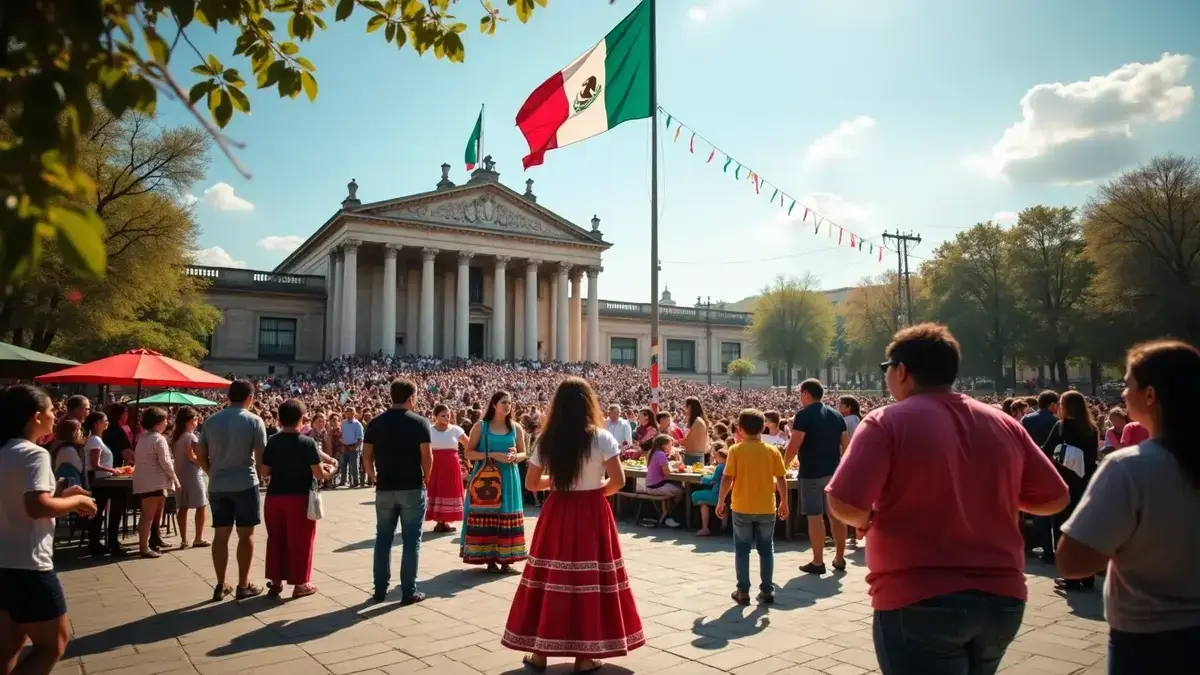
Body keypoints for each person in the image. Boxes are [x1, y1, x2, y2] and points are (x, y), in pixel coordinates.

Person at [826, 323, 1070, 675]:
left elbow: (844, 502)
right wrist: (994, 498)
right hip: (1002, 597)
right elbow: (1055, 497)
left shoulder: (886, 421)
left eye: (886, 369)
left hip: (918, 595)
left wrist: (866, 521)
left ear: (902, 370)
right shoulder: (1002, 422)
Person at [1056, 340, 1200, 674]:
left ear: (1150, 395)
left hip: (1150, 641)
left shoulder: (1130, 467)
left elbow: (1073, 561)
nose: (1121, 393)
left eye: (1127, 384)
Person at [502, 377, 644, 672]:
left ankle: (540, 652)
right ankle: (584, 657)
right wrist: (591, 492)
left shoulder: (546, 439)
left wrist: (558, 483)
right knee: (590, 579)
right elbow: (617, 481)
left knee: (550, 576)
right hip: (591, 512)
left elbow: (531, 483)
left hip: (557, 510)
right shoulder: (602, 437)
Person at [0, 384, 97, 675]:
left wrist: (61, 496)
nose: (56, 416)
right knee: (52, 645)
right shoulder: (34, 454)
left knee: (8, 646)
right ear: (36, 416)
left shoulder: (4, 451)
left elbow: (18, 499)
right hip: (29, 566)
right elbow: (37, 506)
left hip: (3, 563)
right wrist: (79, 500)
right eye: (52, 410)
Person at [197, 379, 268, 601]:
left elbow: (200, 453)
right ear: (250, 397)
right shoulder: (254, 420)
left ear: (228, 396)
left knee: (221, 534)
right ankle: (243, 584)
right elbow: (261, 457)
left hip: (218, 484)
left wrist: (211, 472)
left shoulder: (211, 420)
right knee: (246, 534)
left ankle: (220, 584)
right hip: (245, 483)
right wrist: (262, 476)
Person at [364, 379, 432, 604]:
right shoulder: (420, 423)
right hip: (412, 486)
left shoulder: (375, 422)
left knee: (383, 538)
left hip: (385, 487)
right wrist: (427, 479)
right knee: (412, 540)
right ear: (411, 398)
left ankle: (380, 589)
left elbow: (367, 455)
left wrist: (373, 476)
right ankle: (408, 591)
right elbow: (427, 456)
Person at [261, 399, 336, 599]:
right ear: (302, 419)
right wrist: (332, 470)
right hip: (299, 497)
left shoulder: (273, 441)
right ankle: (300, 583)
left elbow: (264, 471)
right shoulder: (307, 442)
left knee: (276, 539)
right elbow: (320, 475)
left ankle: (275, 581)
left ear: (279, 418)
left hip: (274, 497)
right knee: (301, 541)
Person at [716, 409, 789, 605]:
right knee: (766, 549)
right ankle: (767, 590)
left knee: (742, 549)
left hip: (742, 506)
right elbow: (781, 478)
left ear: (739, 429)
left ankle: (743, 590)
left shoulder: (736, 450)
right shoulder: (772, 450)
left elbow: (727, 479)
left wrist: (721, 500)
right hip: (767, 506)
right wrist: (784, 502)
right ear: (763, 428)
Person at [783, 378, 849, 574]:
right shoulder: (836, 414)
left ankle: (818, 562)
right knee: (836, 516)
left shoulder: (803, 415)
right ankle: (839, 558)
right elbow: (846, 445)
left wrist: (783, 466)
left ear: (805, 394)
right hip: (834, 472)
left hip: (811, 472)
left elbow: (794, 446)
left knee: (815, 516)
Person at [460, 390, 528, 573]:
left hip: (508, 477)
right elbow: (468, 453)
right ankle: (488, 558)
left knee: (506, 513)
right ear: (494, 405)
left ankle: (506, 559)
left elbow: (524, 453)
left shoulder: (516, 428)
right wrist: (492, 455)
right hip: (485, 477)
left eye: (510, 402)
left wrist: (515, 456)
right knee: (487, 513)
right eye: (504, 402)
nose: (508, 406)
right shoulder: (480, 427)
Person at [1040, 390, 1099, 590]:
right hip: (1087, 485)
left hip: (1065, 484)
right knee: (1085, 532)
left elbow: (1045, 452)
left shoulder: (1062, 426)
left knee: (1063, 530)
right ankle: (1088, 576)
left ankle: (1071, 578)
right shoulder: (1092, 429)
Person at [132, 407, 180, 558]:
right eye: (164, 421)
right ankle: (144, 547)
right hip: (154, 482)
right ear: (157, 422)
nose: (166, 423)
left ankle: (150, 542)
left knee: (150, 515)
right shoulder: (158, 439)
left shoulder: (144, 437)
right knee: (148, 516)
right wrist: (175, 479)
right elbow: (166, 462)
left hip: (146, 481)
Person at [83, 411, 126, 557]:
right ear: (97, 424)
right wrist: (112, 470)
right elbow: (95, 464)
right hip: (100, 481)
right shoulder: (94, 441)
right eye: (105, 420)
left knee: (100, 511)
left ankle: (99, 541)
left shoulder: (96, 440)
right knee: (102, 510)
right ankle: (99, 542)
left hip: (103, 480)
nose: (107, 423)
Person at [171, 407, 210, 550]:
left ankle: (184, 539)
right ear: (188, 421)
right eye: (194, 419)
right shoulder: (190, 436)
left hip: (180, 472)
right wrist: (204, 465)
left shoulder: (176, 436)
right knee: (201, 505)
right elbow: (193, 456)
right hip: (192, 473)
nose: (197, 422)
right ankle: (198, 537)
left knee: (183, 506)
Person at [425, 404, 466, 533]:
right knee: (437, 490)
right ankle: (439, 521)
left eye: (448, 415)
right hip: (435, 465)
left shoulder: (455, 430)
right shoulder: (429, 430)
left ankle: (446, 521)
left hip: (451, 466)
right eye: (443, 415)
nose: (447, 418)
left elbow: (468, 443)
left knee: (449, 491)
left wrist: (468, 459)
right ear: (435, 416)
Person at [641, 434, 683, 528]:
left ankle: (667, 513)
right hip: (656, 487)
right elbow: (667, 472)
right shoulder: (661, 454)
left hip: (651, 485)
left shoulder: (653, 452)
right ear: (664, 445)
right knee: (680, 491)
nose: (671, 447)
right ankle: (671, 513)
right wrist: (677, 464)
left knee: (674, 487)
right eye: (670, 445)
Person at [691, 445, 728, 536]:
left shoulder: (720, 467)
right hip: (727, 495)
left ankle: (704, 527)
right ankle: (724, 525)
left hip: (717, 494)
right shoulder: (728, 466)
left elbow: (712, 480)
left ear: (721, 457)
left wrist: (703, 478)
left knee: (696, 496)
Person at [339, 407, 364, 488]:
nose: (350, 413)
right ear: (345, 413)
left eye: (352, 411)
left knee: (354, 465)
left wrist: (355, 447)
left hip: (354, 446)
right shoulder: (343, 423)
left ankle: (355, 482)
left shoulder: (357, 424)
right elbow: (340, 434)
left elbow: (360, 438)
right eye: (348, 411)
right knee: (343, 465)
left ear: (354, 413)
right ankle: (343, 481)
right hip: (344, 446)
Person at [680, 397, 709, 465]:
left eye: (685, 407)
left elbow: (688, 440)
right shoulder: (697, 420)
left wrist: (680, 441)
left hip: (694, 456)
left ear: (689, 407)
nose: (685, 409)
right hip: (693, 455)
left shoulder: (698, 422)